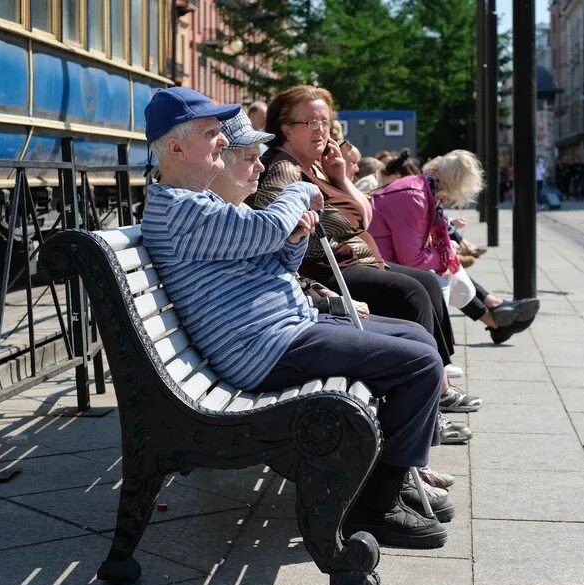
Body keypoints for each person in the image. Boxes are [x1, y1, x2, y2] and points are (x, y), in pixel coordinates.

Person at [140, 88, 451, 548]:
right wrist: (302, 188)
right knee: (419, 364)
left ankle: (394, 475)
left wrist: (292, 242)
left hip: (279, 332)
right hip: (263, 349)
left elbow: (272, 261)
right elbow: (266, 226)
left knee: (414, 338)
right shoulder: (180, 210)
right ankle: (379, 503)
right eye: (211, 134)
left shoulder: (197, 205)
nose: (221, 143)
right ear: (175, 147)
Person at [249, 85, 480, 413]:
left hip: (356, 261)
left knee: (427, 283)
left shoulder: (316, 167)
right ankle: (432, 393)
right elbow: (275, 220)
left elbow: (364, 217)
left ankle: (436, 384)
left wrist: (341, 179)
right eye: (311, 123)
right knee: (411, 293)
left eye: (326, 122)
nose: (321, 130)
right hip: (328, 273)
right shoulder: (284, 167)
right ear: (285, 128)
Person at [368, 149, 541, 344]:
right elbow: (413, 259)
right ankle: (448, 348)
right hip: (377, 267)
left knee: (445, 268)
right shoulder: (415, 197)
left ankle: (493, 316)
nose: (450, 201)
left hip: (381, 259)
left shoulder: (421, 189)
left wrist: (444, 250)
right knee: (439, 279)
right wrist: (444, 250)